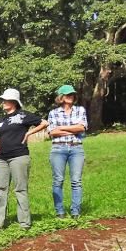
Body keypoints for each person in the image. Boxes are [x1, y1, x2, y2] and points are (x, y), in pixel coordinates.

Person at [0, 89, 49, 231]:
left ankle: (24, 224)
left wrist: (29, 132)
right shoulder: (1, 121)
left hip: (19, 156)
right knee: (0, 190)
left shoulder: (24, 115)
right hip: (1, 159)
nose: (2, 102)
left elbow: (44, 123)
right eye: (2, 100)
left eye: (5, 100)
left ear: (14, 101)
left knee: (20, 189)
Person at [48, 85, 88, 219]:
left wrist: (62, 128)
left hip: (76, 148)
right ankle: (60, 211)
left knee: (76, 180)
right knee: (58, 180)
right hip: (58, 148)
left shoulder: (80, 110)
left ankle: (75, 212)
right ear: (61, 97)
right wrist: (73, 129)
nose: (70, 96)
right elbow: (52, 132)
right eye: (67, 94)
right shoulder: (53, 113)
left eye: (72, 94)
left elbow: (82, 127)